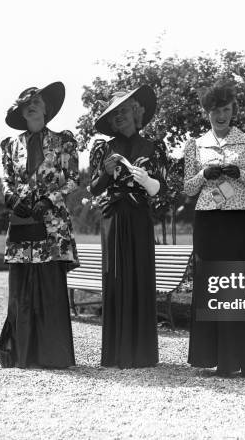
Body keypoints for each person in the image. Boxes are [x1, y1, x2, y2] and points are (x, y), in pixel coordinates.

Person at [184, 81, 245, 378]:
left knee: (233, 284)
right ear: (206, 112)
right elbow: (187, 187)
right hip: (207, 221)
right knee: (210, 286)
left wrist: (240, 173)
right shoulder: (195, 144)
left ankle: (239, 358)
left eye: (225, 109)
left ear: (233, 110)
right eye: (215, 110)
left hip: (236, 219)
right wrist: (203, 174)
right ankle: (212, 356)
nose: (221, 115)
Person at [0, 82, 80, 369]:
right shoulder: (10, 145)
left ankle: (53, 355)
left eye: (37, 101)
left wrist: (51, 199)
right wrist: (10, 197)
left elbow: (73, 179)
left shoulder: (64, 142)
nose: (31, 105)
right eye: (25, 103)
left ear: (46, 108)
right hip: (21, 222)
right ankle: (22, 355)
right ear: (21, 111)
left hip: (52, 225)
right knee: (20, 287)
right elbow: (6, 178)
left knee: (49, 286)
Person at [89, 85, 167, 368]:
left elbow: (163, 190)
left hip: (139, 218)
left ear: (136, 112)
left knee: (140, 277)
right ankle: (115, 353)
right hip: (112, 217)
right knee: (115, 277)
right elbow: (94, 188)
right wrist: (106, 173)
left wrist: (147, 181)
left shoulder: (154, 147)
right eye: (113, 114)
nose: (118, 117)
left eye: (123, 110)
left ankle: (142, 354)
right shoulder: (102, 148)